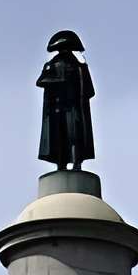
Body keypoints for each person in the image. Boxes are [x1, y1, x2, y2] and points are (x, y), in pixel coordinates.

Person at [38, 30, 96, 170]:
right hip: (58, 110)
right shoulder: (53, 65)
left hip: (73, 109)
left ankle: (76, 163)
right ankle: (62, 164)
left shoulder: (80, 67)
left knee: (74, 136)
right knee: (60, 136)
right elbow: (40, 81)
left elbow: (89, 91)